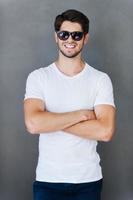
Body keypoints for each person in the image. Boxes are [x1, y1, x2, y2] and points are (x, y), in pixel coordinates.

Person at [24, 9, 116, 200]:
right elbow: (33, 124)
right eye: (64, 34)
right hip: (48, 180)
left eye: (77, 35)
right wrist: (82, 115)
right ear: (56, 37)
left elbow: (105, 131)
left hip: (88, 181)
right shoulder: (38, 77)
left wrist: (51, 120)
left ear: (85, 38)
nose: (70, 39)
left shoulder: (100, 79)